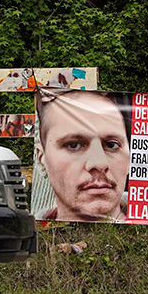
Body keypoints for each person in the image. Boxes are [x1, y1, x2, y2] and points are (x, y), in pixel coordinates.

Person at [34, 88, 131, 223]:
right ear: (41, 158)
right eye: (74, 145)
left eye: (111, 145)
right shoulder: (32, 234)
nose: (99, 164)